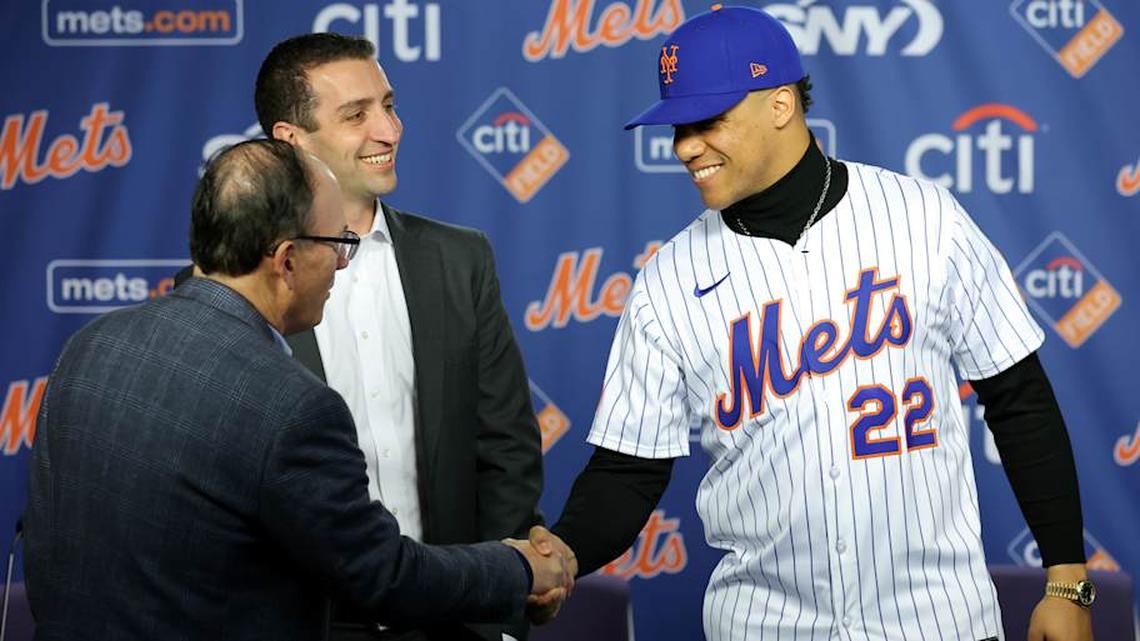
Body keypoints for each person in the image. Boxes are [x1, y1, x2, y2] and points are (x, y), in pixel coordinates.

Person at [527, 6, 1093, 641]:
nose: (686, 146)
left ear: (780, 104)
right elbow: (628, 470)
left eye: (707, 121)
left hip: (937, 621)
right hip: (766, 626)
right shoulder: (666, 283)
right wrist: (564, 555)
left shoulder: (924, 219)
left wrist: (1066, 578)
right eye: (678, 127)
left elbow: (1019, 398)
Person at [24, 140, 568, 641]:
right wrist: (519, 567)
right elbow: (383, 576)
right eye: (337, 244)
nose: (341, 262)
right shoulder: (290, 406)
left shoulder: (90, 345)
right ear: (285, 261)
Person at [250, 32, 547, 641]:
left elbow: (507, 452)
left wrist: (499, 614)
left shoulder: (460, 260)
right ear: (290, 140)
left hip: (450, 619)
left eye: (389, 105)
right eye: (356, 115)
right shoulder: (240, 284)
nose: (389, 130)